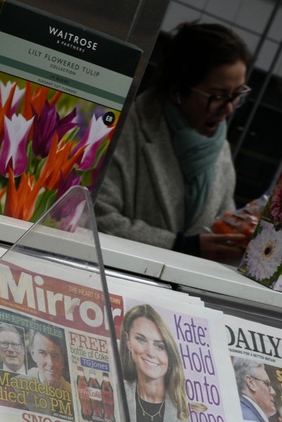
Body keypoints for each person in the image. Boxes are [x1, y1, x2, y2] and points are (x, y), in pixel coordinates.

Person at [95, 22, 254, 262]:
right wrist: (181, 246)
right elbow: (96, 216)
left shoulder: (219, 146)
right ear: (177, 90)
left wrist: (239, 230)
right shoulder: (125, 128)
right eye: (218, 96)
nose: (228, 109)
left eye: (237, 95)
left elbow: (220, 222)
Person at [119, 305, 192, 422]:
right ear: (128, 341)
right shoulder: (115, 393)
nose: (150, 353)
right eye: (141, 339)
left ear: (169, 354)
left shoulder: (191, 414)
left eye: (159, 346)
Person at [232, 358, 276, 422]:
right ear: (251, 383)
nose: (273, 392)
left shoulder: (241, 412)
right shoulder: (250, 419)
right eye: (266, 384)